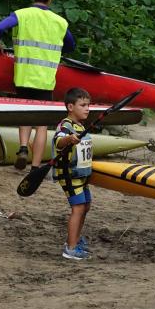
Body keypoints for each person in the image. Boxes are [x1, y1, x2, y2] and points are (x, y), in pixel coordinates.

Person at [0, 0, 76, 170]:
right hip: (45, 80)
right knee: (41, 125)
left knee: (24, 116)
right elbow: (71, 45)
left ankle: (22, 148)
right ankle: (36, 166)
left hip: (23, 76)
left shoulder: (21, 14)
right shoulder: (60, 22)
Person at [53, 87, 94, 260]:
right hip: (69, 174)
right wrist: (69, 139)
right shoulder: (66, 125)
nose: (87, 108)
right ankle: (70, 249)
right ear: (70, 107)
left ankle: (75, 239)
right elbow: (58, 140)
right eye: (83, 105)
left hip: (81, 174)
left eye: (88, 105)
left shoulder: (79, 125)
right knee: (77, 208)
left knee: (86, 205)